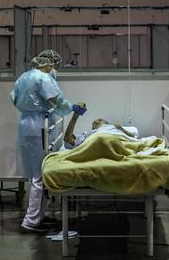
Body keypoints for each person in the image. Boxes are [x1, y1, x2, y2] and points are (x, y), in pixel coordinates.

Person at [10, 51, 86, 233]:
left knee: (34, 175)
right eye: (54, 64)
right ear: (48, 63)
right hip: (39, 126)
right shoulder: (43, 78)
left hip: (25, 124)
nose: (55, 68)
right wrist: (73, 107)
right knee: (39, 175)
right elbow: (56, 101)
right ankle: (30, 222)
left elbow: (13, 98)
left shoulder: (23, 77)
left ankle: (37, 216)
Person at [63, 104, 138, 149]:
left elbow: (134, 139)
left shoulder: (116, 129)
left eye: (100, 120)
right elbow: (68, 139)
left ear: (108, 124)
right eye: (93, 123)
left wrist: (122, 130)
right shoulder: (88, 134)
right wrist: (76, 115)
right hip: (97, 143)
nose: (95, 121)